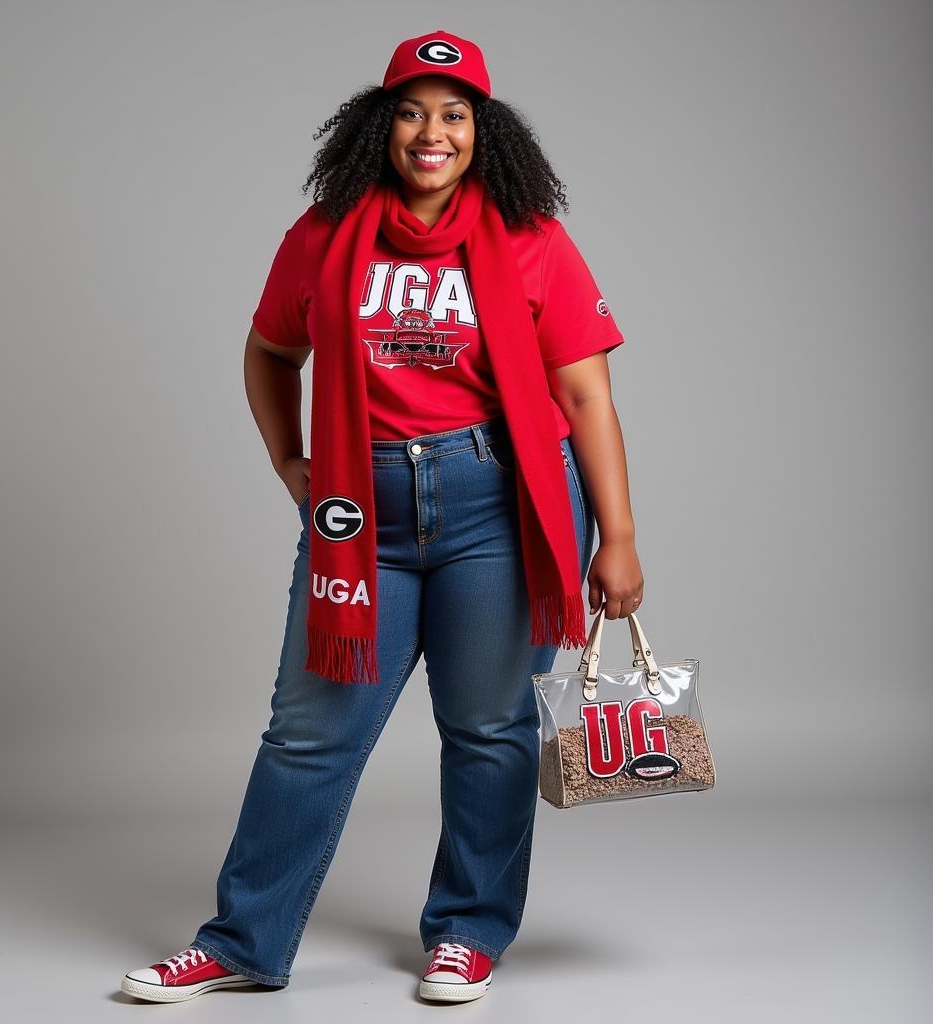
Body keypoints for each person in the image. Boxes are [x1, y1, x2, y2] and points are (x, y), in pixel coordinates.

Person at [120, 27, 644, 1006]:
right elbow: (271, 351)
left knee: (488, 730)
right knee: (305, 734)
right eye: (410, 110)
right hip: (360, 514)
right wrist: (289, 459)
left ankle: (467, 933)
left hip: (497, 504)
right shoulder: (323, 235)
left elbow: (583, 393)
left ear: (481, 133)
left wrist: (615, 535)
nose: (430, 131)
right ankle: (242, 939)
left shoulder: (532, 240)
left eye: (453, 114)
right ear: (380, 124)